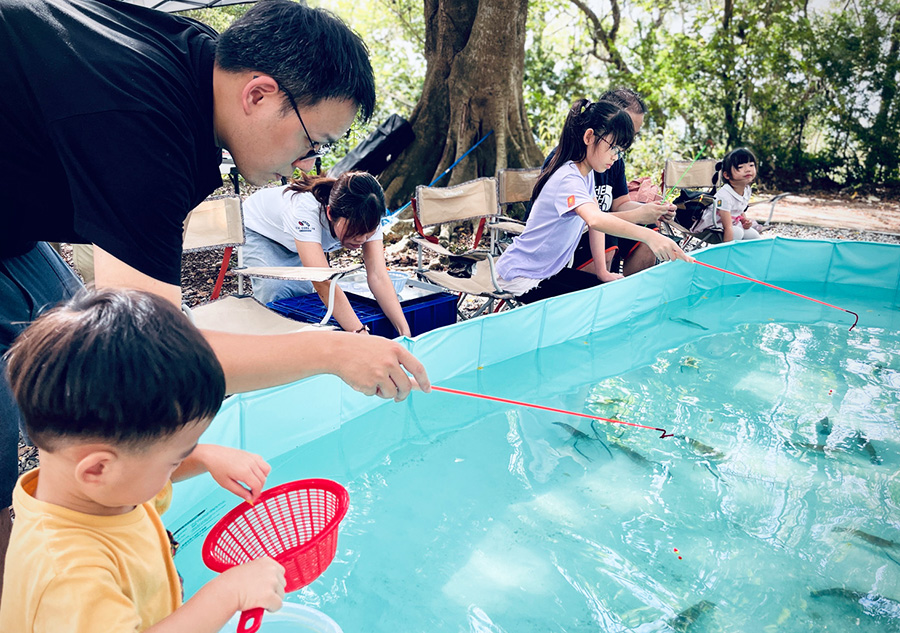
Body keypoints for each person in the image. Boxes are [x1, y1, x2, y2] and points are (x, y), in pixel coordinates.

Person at [0, 0, 430, 588]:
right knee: (90, 377)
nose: (312, 163)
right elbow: (146, 357)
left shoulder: (199, 63)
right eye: (313, 141)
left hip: (14, 228)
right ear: (258, 94)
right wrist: (334, 352)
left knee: (77, 350)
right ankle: (26, 581)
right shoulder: (144, 127)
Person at [0, 288, 285, 632]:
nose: (181, 462)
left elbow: (143, 474)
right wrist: (228, 594)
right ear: (97, 469)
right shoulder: (68, 574)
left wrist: (205, 457)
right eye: (177, 458)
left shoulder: (102, 493)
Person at [493, 99, 691, 304]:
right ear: (589, 136)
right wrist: (651, 236)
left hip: (547, 272)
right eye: (613, 147)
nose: (616, 157)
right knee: (603, 303)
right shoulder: (568, 178)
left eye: (620, 151)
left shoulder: (585, 174)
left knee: (610, 294)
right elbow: (596, 220)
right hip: (522, 277)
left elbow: (594, 224)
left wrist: (603, 272)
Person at [243, 172, 412, 337]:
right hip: (261, 232)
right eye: (354, 231)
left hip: (299, 242)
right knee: (276, 292)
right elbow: (323, 281)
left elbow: (378, 276)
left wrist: (405, 332)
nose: (361, 239)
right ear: (330, 213)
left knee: (301, 300)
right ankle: (267, 344)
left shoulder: (368, 218)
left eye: (368, 233)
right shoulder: (305, 210)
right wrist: (361, 334)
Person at [542, 88, 676, 280]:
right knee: (610, 236)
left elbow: (620, 203)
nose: (627, 142)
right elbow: (591, 221)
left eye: (634, 135)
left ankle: (634, 295)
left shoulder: (611, 159)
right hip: (566, 239)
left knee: (647, 226)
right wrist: (638, 214)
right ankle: (597, 296)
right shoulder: (570, 167)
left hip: (596, 227)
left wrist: (652, 210)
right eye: (626, 131)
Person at [691, 147, 762, 243]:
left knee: (754, 237)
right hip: (712, 227)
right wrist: (726, 252)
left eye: (751, 165)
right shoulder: (724, 196)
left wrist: (744, 221)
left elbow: (739, 208)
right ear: (727, 175)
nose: (748, 170)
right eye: (740, 167)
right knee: (737, 232)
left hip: (732, 223)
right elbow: (728, 227)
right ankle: (726, 255)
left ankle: (747, 257)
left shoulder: (747, 190)